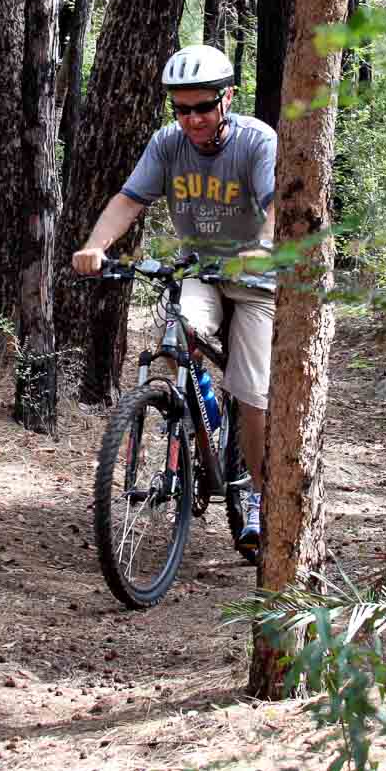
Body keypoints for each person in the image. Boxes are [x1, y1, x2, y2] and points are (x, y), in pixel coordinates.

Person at [72, 45, 276, 548]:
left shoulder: (256, 142)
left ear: (226, 98)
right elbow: (129, 200)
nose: (193, 119)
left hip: (256, 282)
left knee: (252, 393)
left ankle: (258, 493)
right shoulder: (167, 145)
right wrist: (96, 246)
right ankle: (186, 425)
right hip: (201, 270)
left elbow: (278, 209)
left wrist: (263, 248)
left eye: (203, 107)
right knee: (172, 341)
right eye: (182, 109)